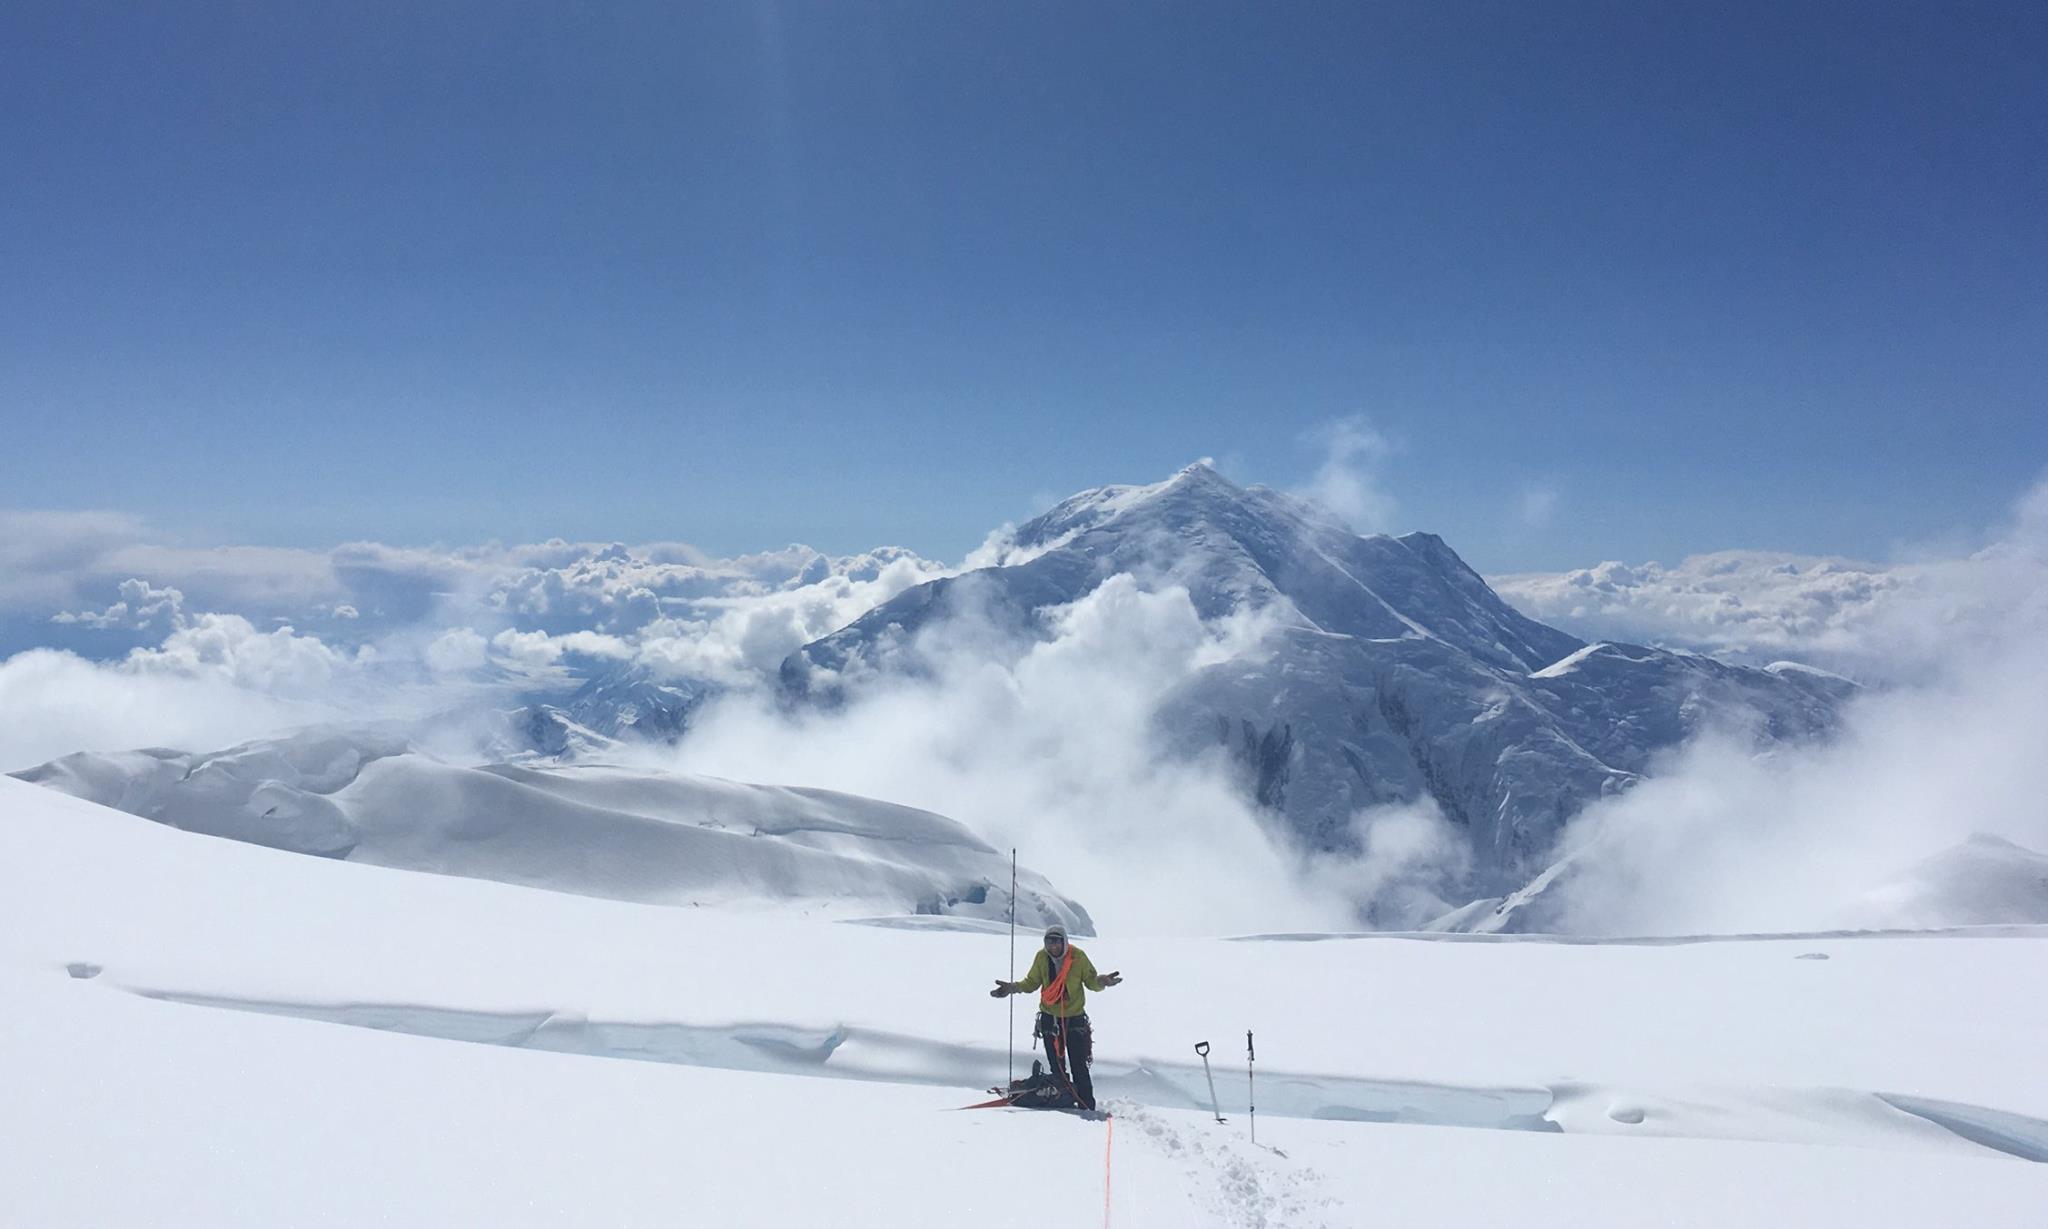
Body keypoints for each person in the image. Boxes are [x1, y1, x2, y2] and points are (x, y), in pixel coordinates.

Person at [990, 923, 1122, 1110]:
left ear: (1064, 942)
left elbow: (1092, 982)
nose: (1053, 946)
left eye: (1056, 942)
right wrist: (1011, 988)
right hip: (1049, 1019)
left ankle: (1086, 1106)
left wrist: (1103, 981)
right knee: (1057, 1067)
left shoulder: (1078, 957)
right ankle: (1064, 1101)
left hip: (1074, 1020)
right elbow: (1031, 983)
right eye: (1049, 942)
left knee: (1079, 1066)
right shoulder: (1042, 957)